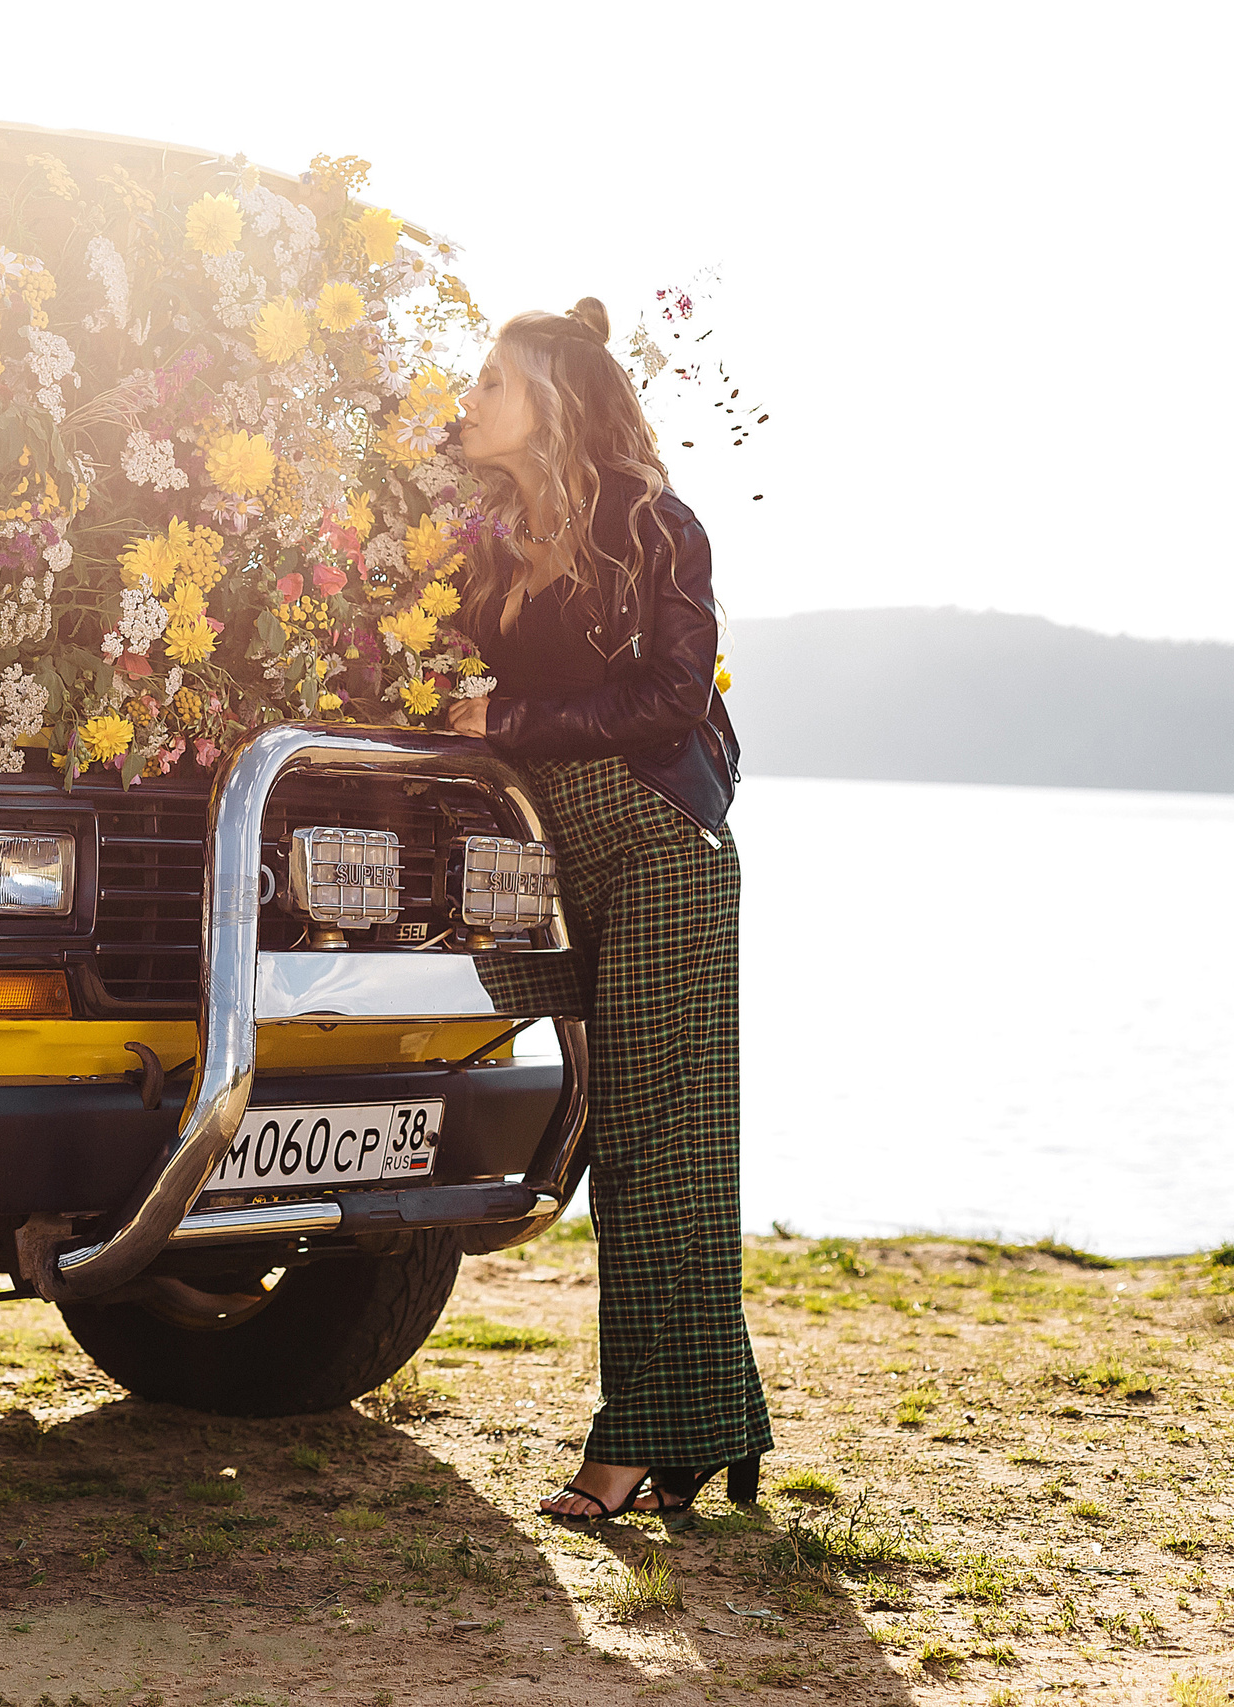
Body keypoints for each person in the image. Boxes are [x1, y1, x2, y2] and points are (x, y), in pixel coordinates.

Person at [443, 297, 770, 1518]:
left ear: (556, 404)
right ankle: (712, 1420)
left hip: (653, 845)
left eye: (492, 383)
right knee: (625, 1135)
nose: (467, 402)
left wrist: (507, 724)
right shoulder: (486, 533)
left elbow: (673, 698)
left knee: (651, 1141)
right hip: (547, 859)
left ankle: (633, 1445)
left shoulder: (652, 525)